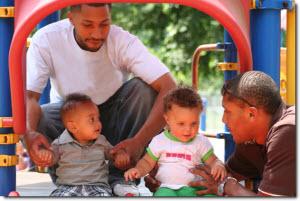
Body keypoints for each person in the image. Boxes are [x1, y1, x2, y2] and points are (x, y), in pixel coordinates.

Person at [25, 3, 176, 196]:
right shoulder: (46, 39)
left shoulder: (122, 40)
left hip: (115, 117)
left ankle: (122, 177)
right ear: (71, 19)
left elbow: (169, 87)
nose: (97, 34)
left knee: (144, 90)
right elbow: (29, 96)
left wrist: (139, 142)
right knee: (38, 115)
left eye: (104, 24)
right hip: (71, 119)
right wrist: (29, 132)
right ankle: (69, 179)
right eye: (88, 25)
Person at [146, 71, 295, 196]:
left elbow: (228, 185)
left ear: (251, 114)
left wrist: (230, 188)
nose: (223, 119)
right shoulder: (251, 140)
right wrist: (171, 181)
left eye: (228, 111)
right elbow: (223, 176)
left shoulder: (288, 132)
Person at [124, 86, 227, 196]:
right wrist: (138, 170)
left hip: (193, 188)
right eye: (181, 124)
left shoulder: (200, 141)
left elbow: (213, 160)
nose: (188, 129)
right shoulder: (159, 141)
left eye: (194, 123)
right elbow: (147, 162)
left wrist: (218, 165)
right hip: (166, 188)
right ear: (167, 119)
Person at [38, 93, 131, 196]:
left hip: (97, 187)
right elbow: (53, 158)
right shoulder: (60, 143)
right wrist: (46, 155)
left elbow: (113, 153)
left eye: (98, 118)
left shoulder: (101, 141)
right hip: (68, 187)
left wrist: (120, 155)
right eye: (92, 119)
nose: (99, 123)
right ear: (73, 127)